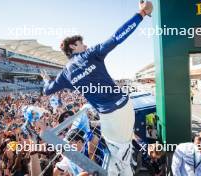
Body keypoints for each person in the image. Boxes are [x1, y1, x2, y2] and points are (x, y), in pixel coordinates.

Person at [40, 1, 153, 176]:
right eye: (81, 43)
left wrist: (46, 80)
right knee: (120, 157)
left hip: (111, 115)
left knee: (118, 159)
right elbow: (117, 37)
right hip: (121, 109)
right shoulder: (91, 53)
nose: (85, 45)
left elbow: (47, 90)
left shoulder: (65, 74)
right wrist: (141, 14)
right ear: (72, 47)